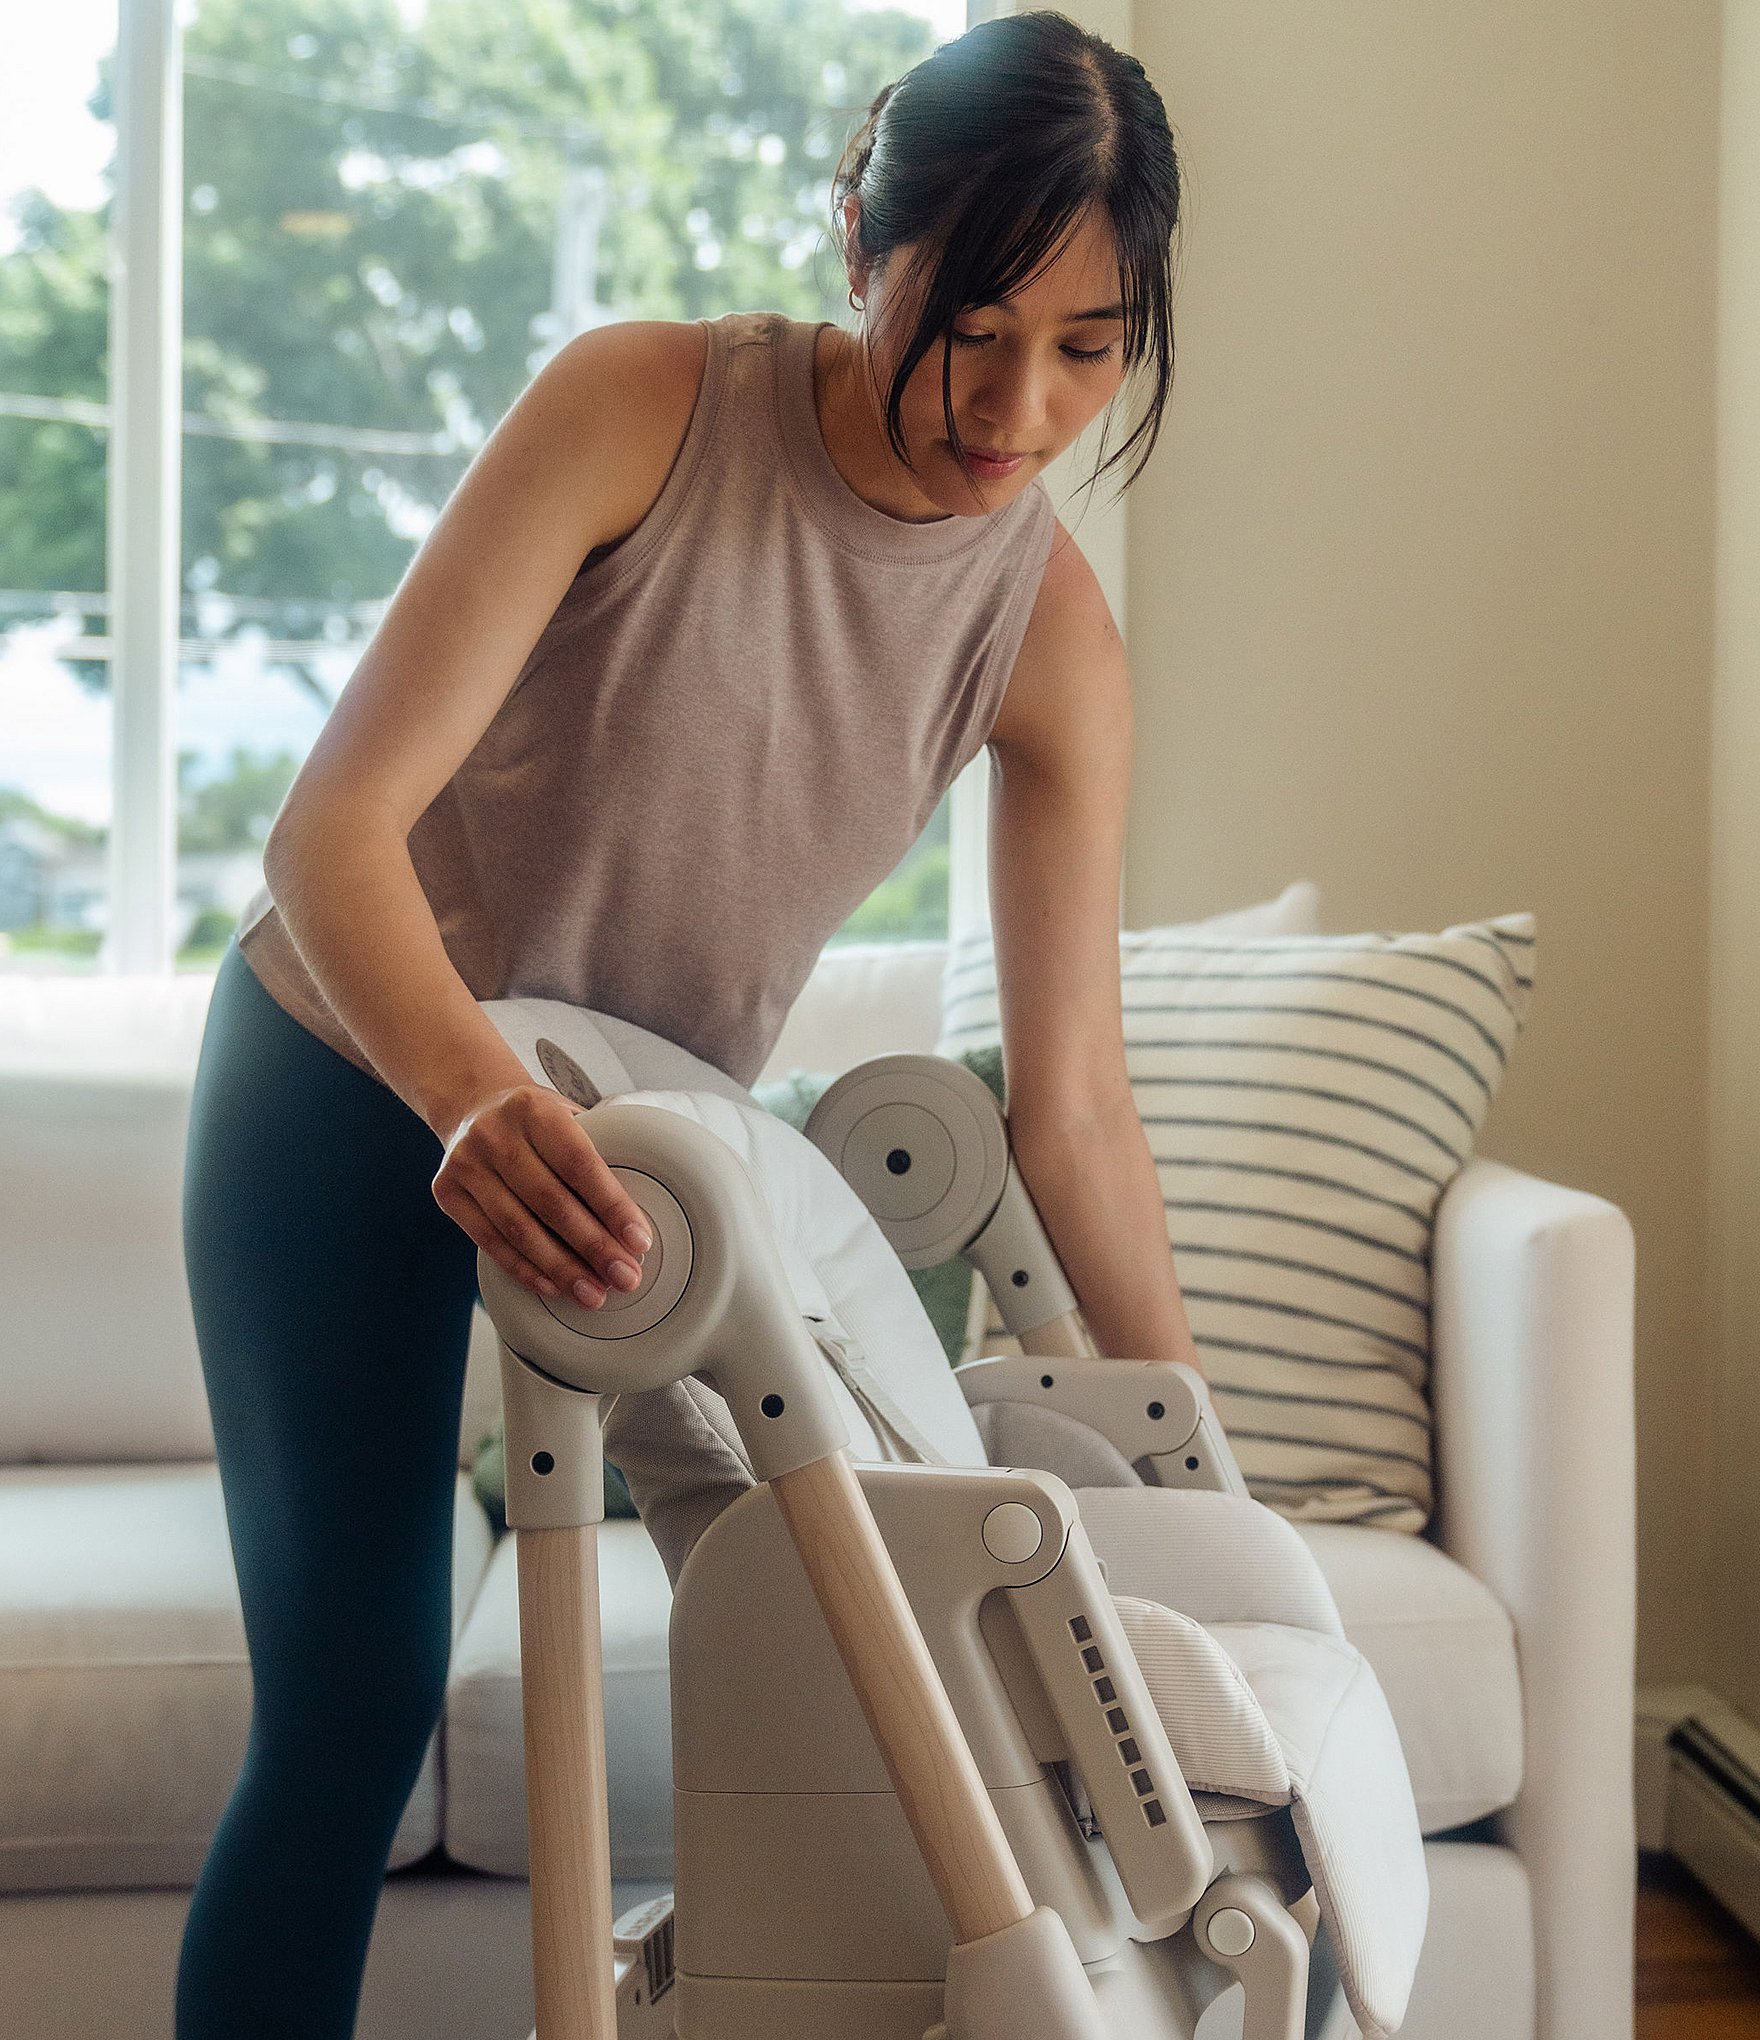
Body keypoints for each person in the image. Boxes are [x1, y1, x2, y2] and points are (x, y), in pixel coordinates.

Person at [173, 10, 1199, 2034]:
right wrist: (468, 1099)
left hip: (636, 1164)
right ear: (858, 241)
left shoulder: (1051, 631)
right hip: (354, 1084)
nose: (1016, 405)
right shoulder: (643, 404)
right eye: (972, 323)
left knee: (834, 1703)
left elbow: (1073, 1102)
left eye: (1086, 346)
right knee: (357, 1703)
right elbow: (333, 834)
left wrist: (1186, 1446)